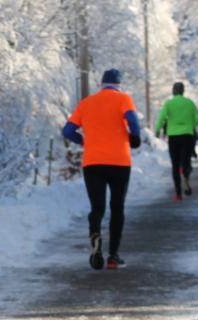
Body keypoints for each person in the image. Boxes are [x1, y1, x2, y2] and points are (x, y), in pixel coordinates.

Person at [61, 68, 142, 270]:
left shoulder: (87, 103)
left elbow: (68, 130)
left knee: (97, 207)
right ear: (119, 84)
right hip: (119, 161)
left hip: (93, 162)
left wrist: (84, 142)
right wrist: (135, 136)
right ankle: (113, 256)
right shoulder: (123, 99)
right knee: (117, 207)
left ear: (102, 84)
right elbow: (132, 120)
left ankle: (95, 235)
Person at [154, 82, 198, 201]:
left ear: (174, 91)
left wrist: (157, 130)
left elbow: (161, 117)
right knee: (186, 160)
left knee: (175, 165)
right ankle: (185, 173)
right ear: (183, 91)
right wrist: (191, 125)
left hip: (174, 137)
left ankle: (178, 194)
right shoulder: (189, 103)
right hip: (187, 135)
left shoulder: (169, 104)